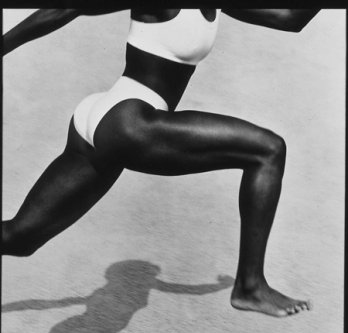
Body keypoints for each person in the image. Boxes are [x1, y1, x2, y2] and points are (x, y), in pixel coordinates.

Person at [2, 8, 320, 317]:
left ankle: (250, 285)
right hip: (129, 120)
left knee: (19, 239)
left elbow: (291, 18)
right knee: (268, 150)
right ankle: (250, 286)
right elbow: (68, 8)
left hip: (103, 120)